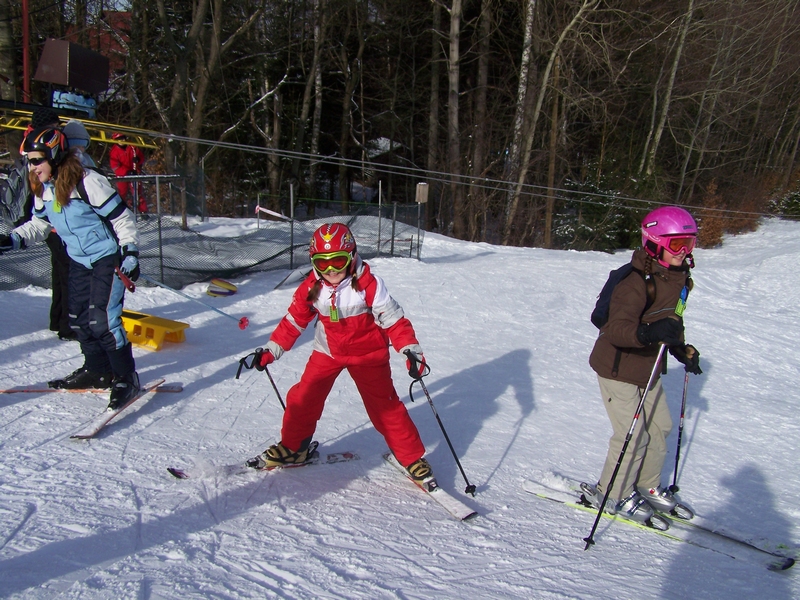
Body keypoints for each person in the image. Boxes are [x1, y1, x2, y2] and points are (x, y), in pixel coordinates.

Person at [250, 222, 435, 483]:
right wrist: (270, 351)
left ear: (351, 256)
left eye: (337, 261)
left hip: (368, 355)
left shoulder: (369, 284)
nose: (331, 270)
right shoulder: (313, 287)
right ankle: (294, 449)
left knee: (386, 408)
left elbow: (394, 320)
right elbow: (294, 321)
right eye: (322, 263)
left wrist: (410, 351)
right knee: (303, 398)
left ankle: (412, 457)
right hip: (328, 352)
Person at [0, 127, 142, 409]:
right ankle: (98, 370)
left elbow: (122, 218)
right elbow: (41, 224)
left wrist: (131, 253)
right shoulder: (44, 188)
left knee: (102, 320)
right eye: (29, 160)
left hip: (106, 258)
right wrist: (13, 238)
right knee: (77, 319)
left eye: (37, 160)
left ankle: (127, 377)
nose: (32, 166)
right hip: (78, 260)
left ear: (53, 156)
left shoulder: (87, 181)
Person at [582, 206, 703, 524]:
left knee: (659, 428)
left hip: (648, 368)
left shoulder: (681, 279)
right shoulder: (635, 282)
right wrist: (650, 333)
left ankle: (647, 486)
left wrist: (680, 349)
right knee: (631, 436)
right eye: (678, 245)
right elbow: (615, 329)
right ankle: (611, 493)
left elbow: (672, 319)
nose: (684, 252)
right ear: (653, 242)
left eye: (690, 244)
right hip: (617, 368)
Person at [109, 132, 146, 213]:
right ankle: (121, 211)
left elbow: (141, 157)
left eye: (123, 138)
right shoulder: (114, 152)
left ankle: (143, 211)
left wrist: (138, 160)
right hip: (122, 176)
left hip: (135, 172)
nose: (122, 141)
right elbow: (115, 167)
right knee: (122, 193)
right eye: (119, 139)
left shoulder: (132, 147)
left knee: (138, 192)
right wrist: (126, 172)